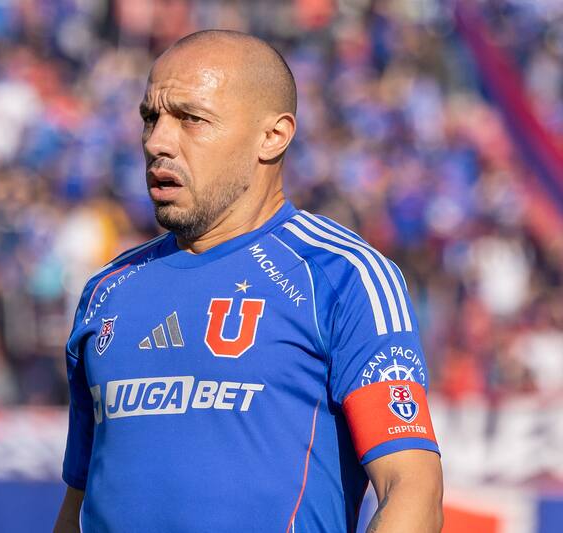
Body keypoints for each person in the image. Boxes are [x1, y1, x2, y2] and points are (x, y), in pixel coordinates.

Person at [54, 30, 443, 532]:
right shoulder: (108, 290)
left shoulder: (341, 276)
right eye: (151, 117)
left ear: (273, 136)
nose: (157, 141)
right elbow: (78, 503)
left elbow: (412, 489)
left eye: (191, 119)